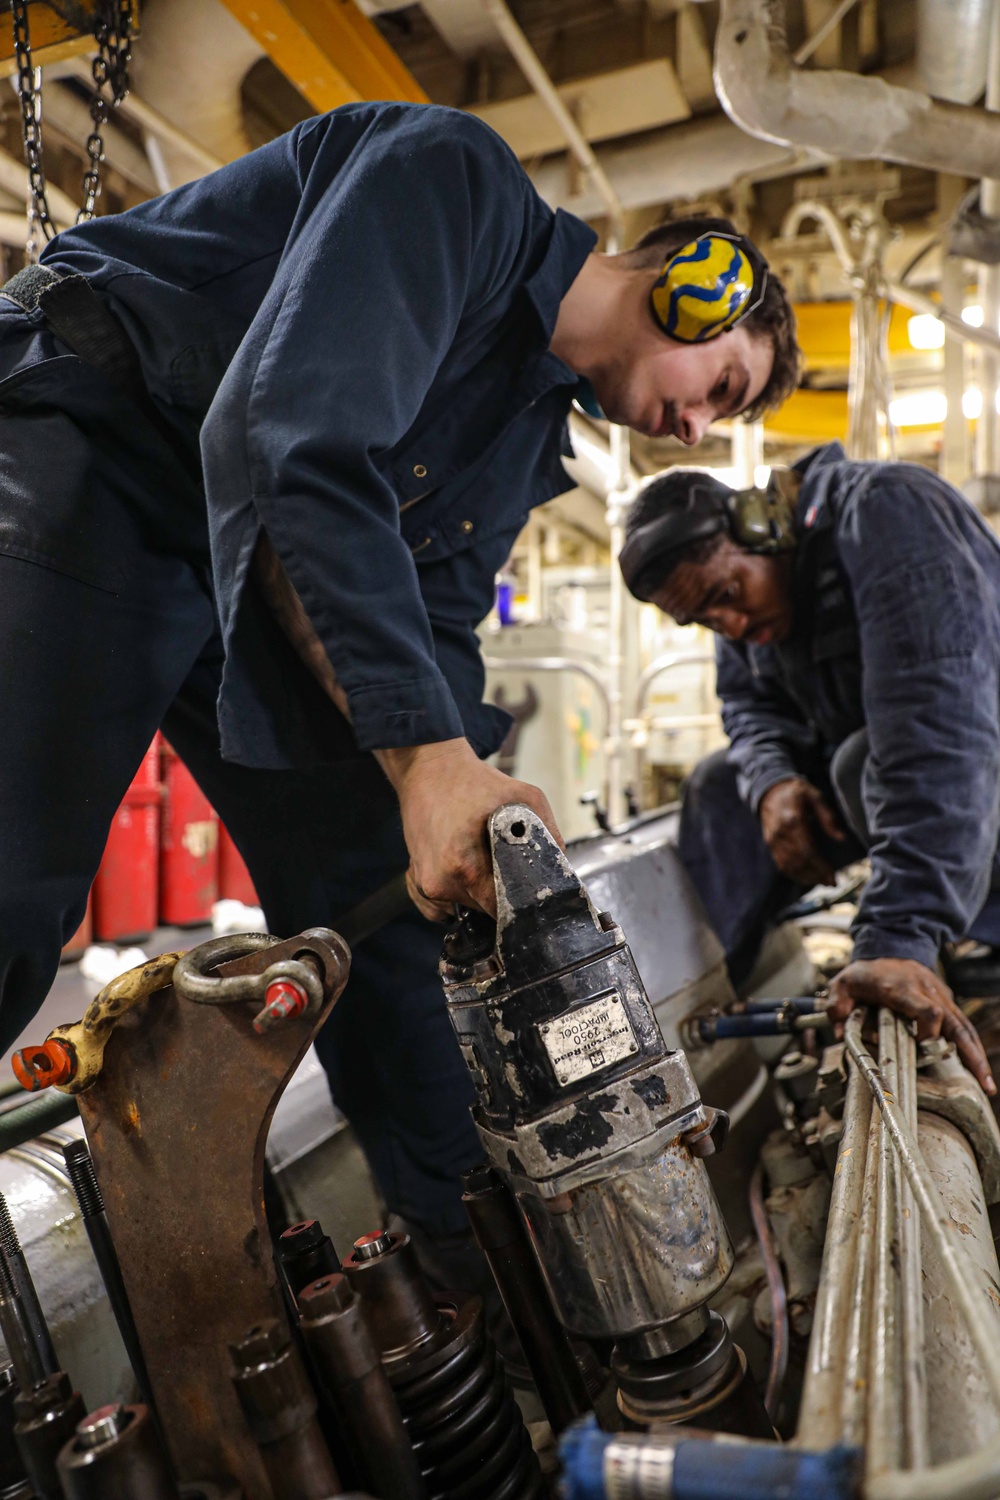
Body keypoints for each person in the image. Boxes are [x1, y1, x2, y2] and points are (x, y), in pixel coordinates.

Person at [0, 101, 799, 1256]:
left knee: (396, 894)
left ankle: (465, 1264)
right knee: (15, 889)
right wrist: (423, 757)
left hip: (238, 554)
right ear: (701, 283)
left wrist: (459, 785)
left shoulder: (523, 438)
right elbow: (289, 433)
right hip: (92, 438)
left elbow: (426, 630)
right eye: (722, 386)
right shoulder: (455, 181)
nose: (696, 431)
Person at [619, 441, 1000, 1093]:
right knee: (721, 787)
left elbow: (937, 738)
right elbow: (747, 704)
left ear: (761, 528)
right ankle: (688, 1034)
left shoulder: (887, 514)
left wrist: (895, 937)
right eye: (706, 620)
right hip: (897, 787)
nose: (731, 624)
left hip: (974, 779)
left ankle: (980, 960)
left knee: (863, 763)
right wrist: (773, 784)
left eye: (728, 595)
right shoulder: (746, 609)